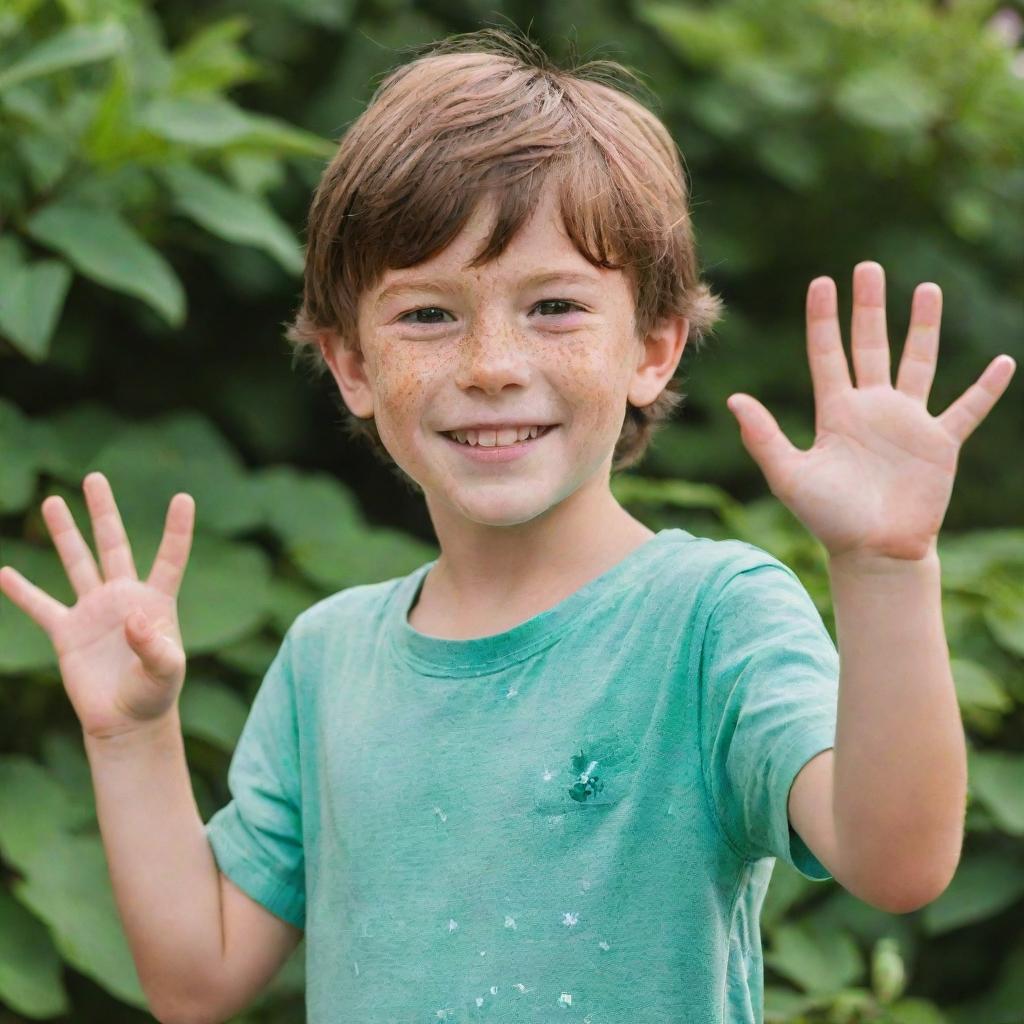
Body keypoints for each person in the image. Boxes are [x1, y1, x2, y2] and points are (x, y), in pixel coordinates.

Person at [2, 23, 1010, 1024]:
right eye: (428, 315)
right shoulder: (326, 658)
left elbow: (896, 861)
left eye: (555, 308)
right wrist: (130, 735)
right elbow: (196, 978)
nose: (489, 364)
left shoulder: (709, 617)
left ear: (653, 347)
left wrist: (884, 571)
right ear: (351, 364)